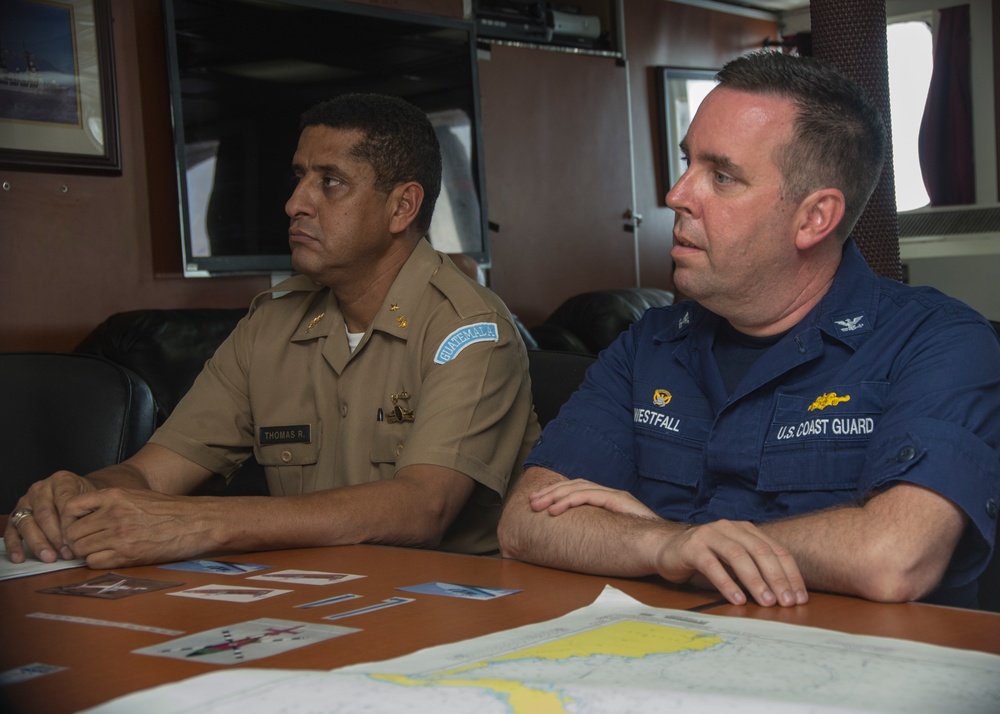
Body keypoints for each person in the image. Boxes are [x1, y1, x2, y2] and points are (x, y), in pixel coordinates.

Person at [498, 51, 1000, 609]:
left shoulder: (938, 341)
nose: (677, 195)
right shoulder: (650, 342)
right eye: (687, 163)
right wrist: (669, 545)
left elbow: (894, 556)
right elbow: (526, 521)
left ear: (814, 218)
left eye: (722, 176)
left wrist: (686, 551)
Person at [6, 93, 540, 568]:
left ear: (402, 206)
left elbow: (424, 507)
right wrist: (81, 495)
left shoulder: (471, 329)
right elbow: (151, 477)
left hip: (452, 609)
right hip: (312, 599)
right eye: (299, 177)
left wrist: (200, 525)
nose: (294, 203)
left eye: (329, 182)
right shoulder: (271, 323)